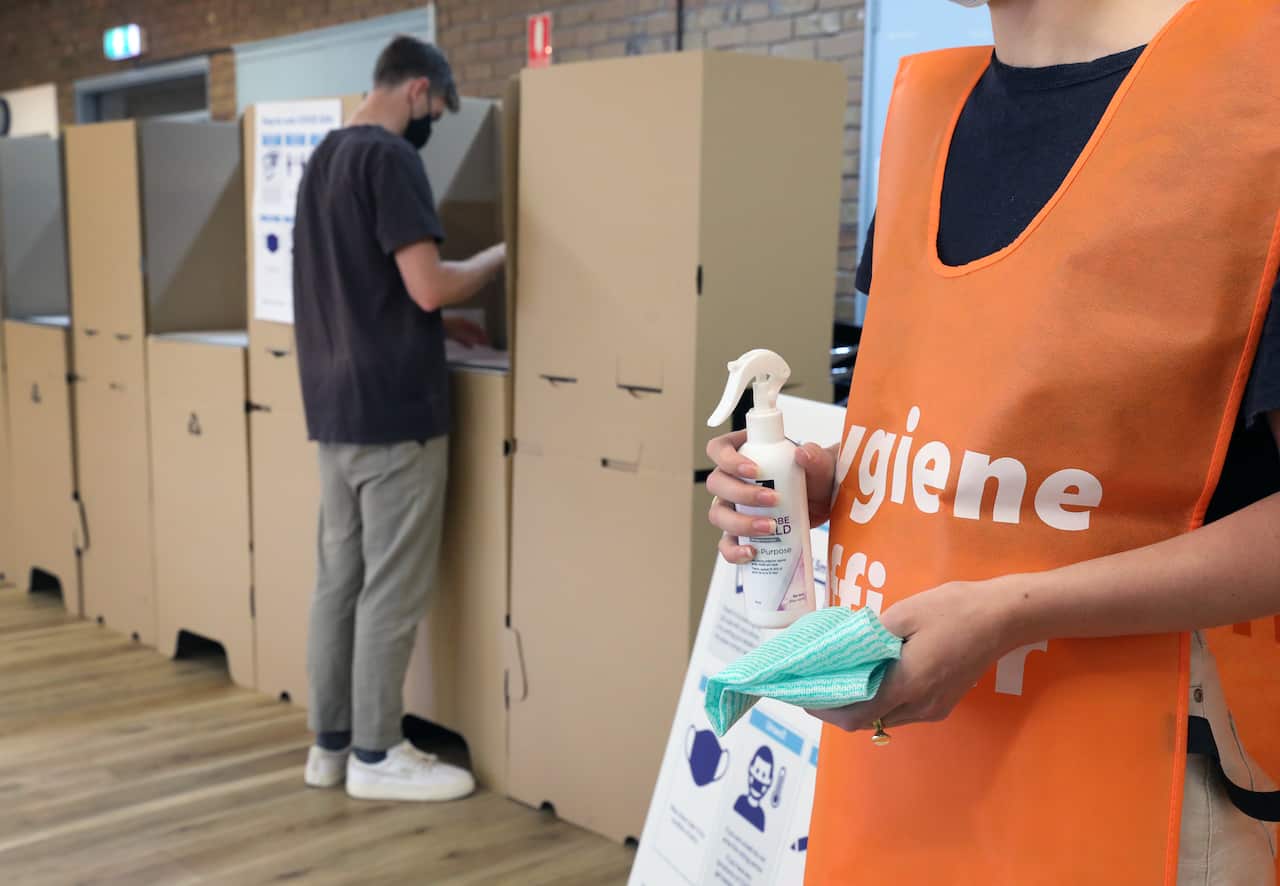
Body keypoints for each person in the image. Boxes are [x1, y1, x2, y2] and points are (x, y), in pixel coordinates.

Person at [707, 0, 1280, 881]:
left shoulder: (1255, 91)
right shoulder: (931, 113)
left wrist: (1016, 613)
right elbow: (953, 429)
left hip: (1132, 792)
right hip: (904, 783)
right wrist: (829, 481)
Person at [291, 35, 506, 803]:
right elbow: (425, 286)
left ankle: (332, 748)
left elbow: (362, 288)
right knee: (390, 590)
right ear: (419, 89)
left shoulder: (322, 160)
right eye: (439, 111)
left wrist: (440, 329)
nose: (434, 126)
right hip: (397, 416)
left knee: (337, 583)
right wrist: (497, 259)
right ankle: (380, 754)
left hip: (337, 410)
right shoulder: (390, 160)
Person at [733, 746, 774, 833]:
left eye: (763, 775)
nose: (758, 779)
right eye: (757, 771)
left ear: (769, 782)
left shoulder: (760, 816)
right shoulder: (740, 801)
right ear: (750, 769)